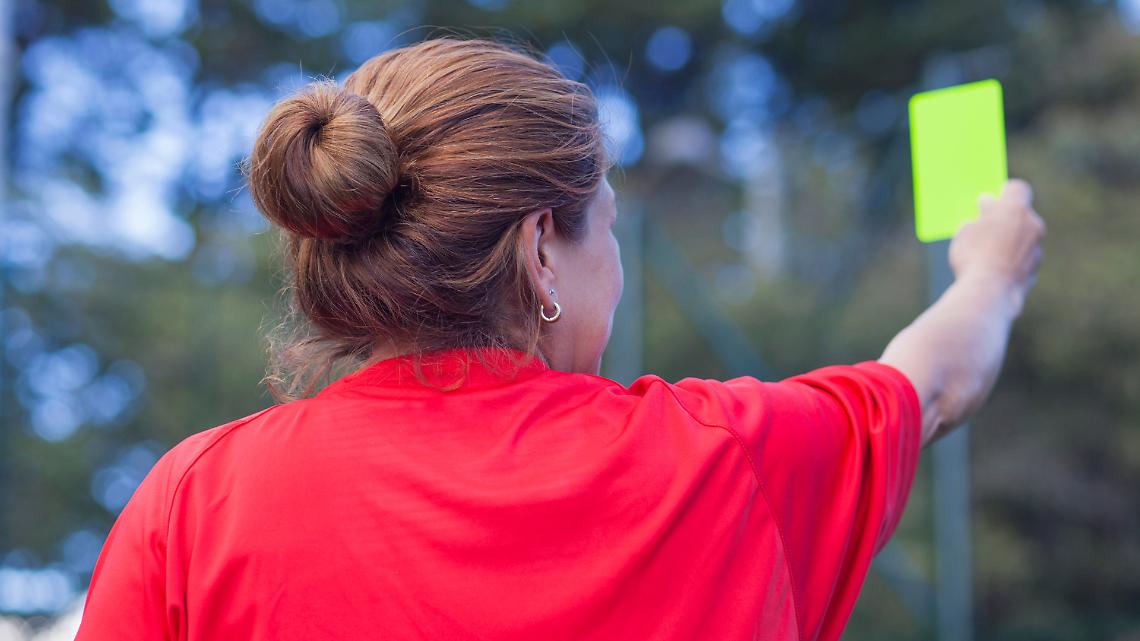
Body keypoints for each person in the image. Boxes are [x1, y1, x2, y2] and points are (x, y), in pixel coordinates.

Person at [74, 38, 1045, 641]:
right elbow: (935, 380)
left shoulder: (192, 504)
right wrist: (991, 273)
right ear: (543, 246)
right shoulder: (716, 458)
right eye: (609, 225)